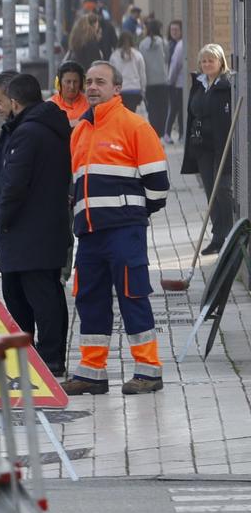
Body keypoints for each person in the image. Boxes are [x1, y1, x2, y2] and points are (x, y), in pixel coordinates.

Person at [63, 61, 170, 396]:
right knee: (89, 300)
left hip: (125, 232)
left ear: (117, 89)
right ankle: (92, 373)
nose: (92, 87)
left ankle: (148, 372)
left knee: (132, 296)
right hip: (90, 235)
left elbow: (158, 187)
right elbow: (76, 184)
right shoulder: (80, 129)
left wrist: (131, 214)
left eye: (100, 82)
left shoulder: (134, 126)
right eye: (89, 83)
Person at [0, 72, 74, 378]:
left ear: (15, 102)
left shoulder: (28, 133)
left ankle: (48, 358)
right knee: (37, 293)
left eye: (0, 101)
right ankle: (43, 356)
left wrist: (3, 220)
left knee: (35, 295)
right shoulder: (45, 126)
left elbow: (14, 184)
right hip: (42, 227)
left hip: (28, 230)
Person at [183, 44, 236, 256]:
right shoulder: (199, 84)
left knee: (222, 189)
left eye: (210, 61)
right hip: (202, 146)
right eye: (203, 61)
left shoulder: (227, 86)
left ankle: (229, 234)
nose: (206, 64)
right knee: (210, 192)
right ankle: (218, 237)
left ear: (220, 62)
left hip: (222, 144)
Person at [139, 20, 174, 140]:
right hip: (162, 80)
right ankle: (161, 131)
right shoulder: (163, 42)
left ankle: (154, 131)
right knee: (163, 107)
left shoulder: (142, 44)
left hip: (149, 81)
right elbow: (167, 58)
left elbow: (141, 62)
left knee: (152, 108)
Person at [111, 31, 148, 117]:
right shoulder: (138, 55)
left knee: (121, 116)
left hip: (120, 91)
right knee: (132, 116)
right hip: (134, 90)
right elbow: (142, 75)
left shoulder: (114, 56)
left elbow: (112, 75)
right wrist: (143, 91)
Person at [166, 21, 188, 142]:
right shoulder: (170, 44)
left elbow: (175, 65)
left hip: (176, 82)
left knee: (177, 109)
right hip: (174, 82)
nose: (174, 32)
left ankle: (176, 134)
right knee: (175, 109)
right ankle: (169, 133)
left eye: (176, 30)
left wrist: (171, 80)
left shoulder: (180, 45)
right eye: (172, 30)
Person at [53, 61, 89, 125]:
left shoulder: (90, 103)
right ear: (58, 83)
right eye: (68, 82)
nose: (72, 86)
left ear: (82, 83)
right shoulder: (50, 105)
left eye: (75, 82)